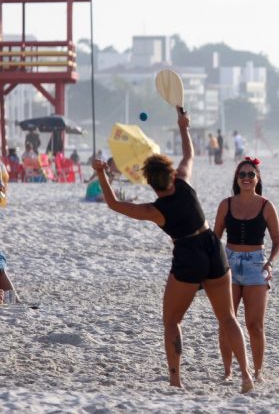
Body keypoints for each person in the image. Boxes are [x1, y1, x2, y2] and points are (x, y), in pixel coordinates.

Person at [91, 108, 254, 393]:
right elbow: (189, 154)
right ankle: (247, 376)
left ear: (150, 184)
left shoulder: (155, 210)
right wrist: (183, 126)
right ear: (170, 173)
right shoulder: (183, 180)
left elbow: (114, 204)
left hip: (188, 253)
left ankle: (176, 379)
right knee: (227, 317)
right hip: (211, 245)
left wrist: (101, 173)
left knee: (171, 321)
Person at [213, 156, 279, 384]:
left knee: (255, 325)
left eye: (250, 174)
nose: (246, 178)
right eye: (242, 174)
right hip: (229, 263)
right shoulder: (226, 204)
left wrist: (270, 262)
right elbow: (216, 238)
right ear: (236, 178)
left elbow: (277, 240)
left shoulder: (266, 205)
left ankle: (258, 371)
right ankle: (227, 371)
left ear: (257, 178)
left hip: (256, 265)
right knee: (226, 321)